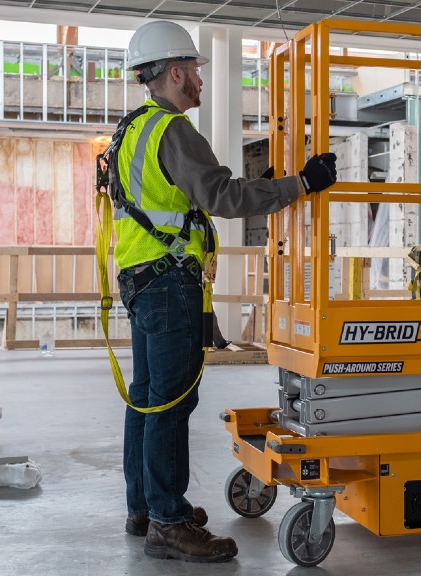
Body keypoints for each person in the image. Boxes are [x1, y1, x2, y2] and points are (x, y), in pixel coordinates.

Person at [110, 20, 337, 564]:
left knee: (147, 397)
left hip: (140, 279)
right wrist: (300, 184)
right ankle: (168, 523)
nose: (200, 81)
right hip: (168, 281)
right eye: (194, 71)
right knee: (170, 401)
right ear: (174, 71)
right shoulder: (172, 129)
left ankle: (146, 506)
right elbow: (224, 197)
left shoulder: (131, 129)